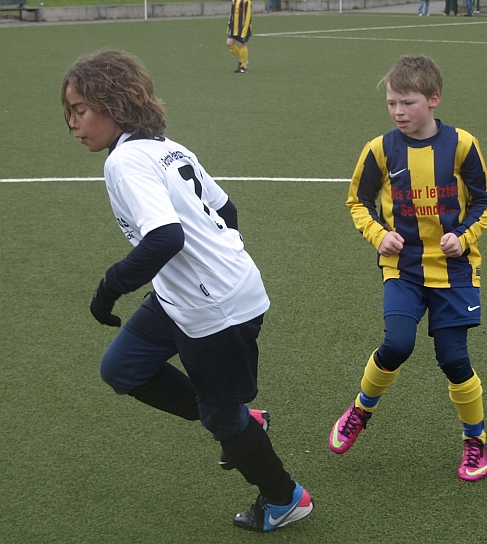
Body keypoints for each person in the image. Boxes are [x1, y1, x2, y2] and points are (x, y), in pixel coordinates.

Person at [61, 49, 314, 532]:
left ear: (114, 104)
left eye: (81, 109)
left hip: (215, 308)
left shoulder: (127, 161)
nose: (73, 123)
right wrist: (217, 260)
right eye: (69, 111)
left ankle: (285, 499)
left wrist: (109, 287)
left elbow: (166, 238)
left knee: (223, 420)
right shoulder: (166, 147)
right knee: (122, 368)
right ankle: (243, 418)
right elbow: (227, 211)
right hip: (187, 296)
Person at [329, 55, 487, 482]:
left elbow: (485, 200)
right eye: (392, 103)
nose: (398, 112)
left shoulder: (462, 144)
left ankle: (474, 439)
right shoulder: (379, 150)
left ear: (433, 99)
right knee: (397, 344)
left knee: (454, 359)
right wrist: (378, 234)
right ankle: (361, 409)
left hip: (454, 272)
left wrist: (462, 236)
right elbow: (358, 202)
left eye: (407, 103)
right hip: (402, 269)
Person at [227, 0, 252, 73]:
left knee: (242, 44)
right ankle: (242, 60)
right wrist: (229, 26)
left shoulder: (246, 0)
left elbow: (248, 16)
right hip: (234, 27)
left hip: (243, 28)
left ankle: (244, 66)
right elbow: (232, 14)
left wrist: (245, 29)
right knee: (229, 43)